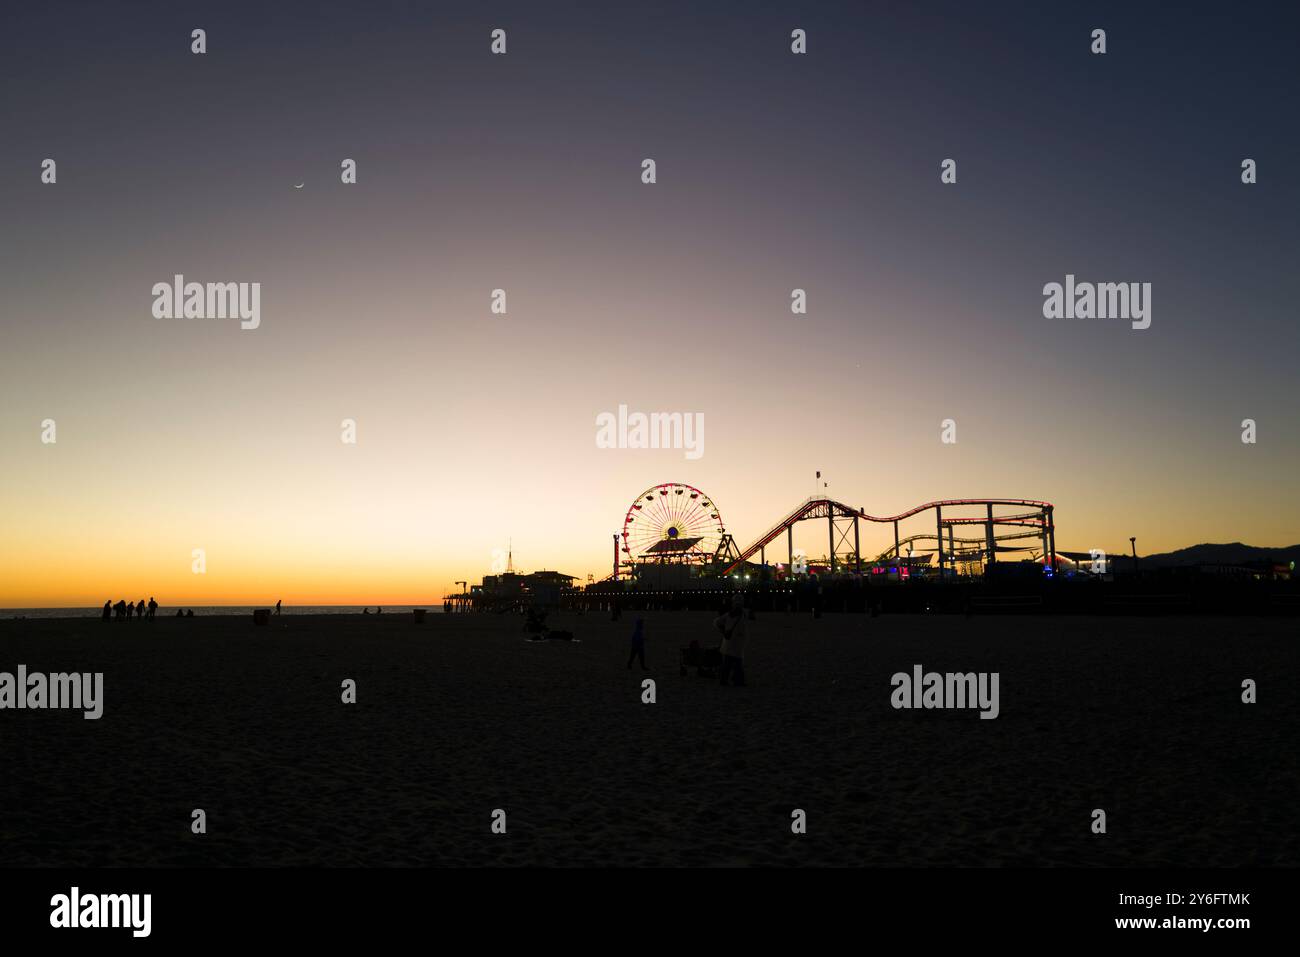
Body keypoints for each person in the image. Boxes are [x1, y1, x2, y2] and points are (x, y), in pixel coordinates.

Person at [714, 594, 748, 687]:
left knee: (727, 663)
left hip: (728, 642)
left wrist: (723, 631)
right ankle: (738, 681)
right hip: (738, 643)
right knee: (737, 663)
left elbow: (716, 622)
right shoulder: (744, 614)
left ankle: (724, 680)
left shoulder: (729, 615)